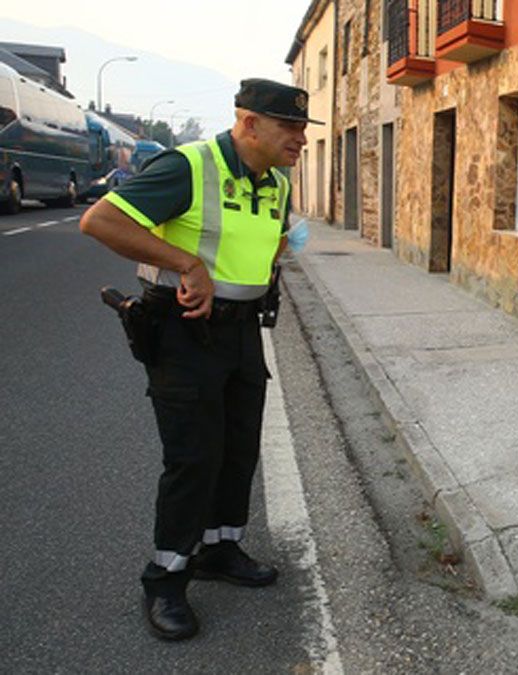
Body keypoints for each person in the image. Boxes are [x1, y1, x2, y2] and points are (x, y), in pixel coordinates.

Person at [80, 78, 321, 641]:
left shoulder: (277, 182)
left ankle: (220, 548)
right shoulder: (189, 165)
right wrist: (187, 263)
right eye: (290, 128)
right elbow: (100, 221)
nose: (301, 140)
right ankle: (165, 579)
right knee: (194, 457)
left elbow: (269, 241)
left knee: (237, 449)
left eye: (305, 130)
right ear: (248, 123)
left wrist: (281, 251)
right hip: (184, 330)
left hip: (241, 333)